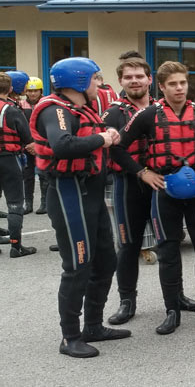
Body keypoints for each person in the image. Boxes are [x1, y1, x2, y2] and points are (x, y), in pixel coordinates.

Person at [112, 61, 195, 334]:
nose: (179, 88)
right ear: (161, 87)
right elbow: (117, 148)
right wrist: (142, 172)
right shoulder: (148, 116)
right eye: (173, 84)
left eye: (183, 83)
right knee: (167, 251)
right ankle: (171, 311)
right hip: (165, 192)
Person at [30, 57, 126, 357]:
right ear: (79, 80)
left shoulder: (80, 108)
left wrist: (106, 137)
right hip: (69, 189)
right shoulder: (55, 109)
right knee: (78, 265)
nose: (100, 84)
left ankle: (93, 326)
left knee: (107, 260)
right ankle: (70, 336)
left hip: (92, 190)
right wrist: (103, 137)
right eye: (96, 78)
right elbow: (62, 145)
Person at [104, 57, 193, 326]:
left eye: (140, 76)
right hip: (130, 184)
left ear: (150, 79)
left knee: (170, 241)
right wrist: (141, 172)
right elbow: (113, 149)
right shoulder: (113, 113)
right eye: (129, 77)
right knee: (129, 245)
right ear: (121, 81)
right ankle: (127, 301)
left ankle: (177, 295)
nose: (135, 81)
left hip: (164, 185)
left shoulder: (162, 108)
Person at [0, 72, 35, 255]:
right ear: (11, 89)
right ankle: (16, 245)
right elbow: (27, 138)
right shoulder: (12, 110)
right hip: (8, 158)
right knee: (14, 202)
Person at [21, 77, 45, 213]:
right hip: (27, 146)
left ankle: (44, 203)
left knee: (43, 175)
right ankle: (28, 203)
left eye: (35, 91)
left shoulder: (46, 103)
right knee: (27, 175)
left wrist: (37, 143)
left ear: (41, 91)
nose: (32, 94)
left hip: (42, 144)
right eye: (30, 91)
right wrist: (28, 144)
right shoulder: (20, 105)